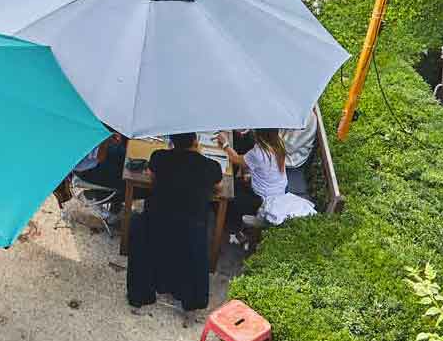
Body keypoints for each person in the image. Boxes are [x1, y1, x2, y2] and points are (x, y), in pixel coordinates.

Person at [127, 133, 222, 311]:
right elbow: (219, 187)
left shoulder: (159, 157)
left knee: (136, 220)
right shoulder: (210, 166)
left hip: (157, 218)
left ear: (171, 142)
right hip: (192, 224)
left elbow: (151, 177)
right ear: (196, 142)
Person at [237, 129, 316, 227]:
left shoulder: (258, 152)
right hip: (281, 189)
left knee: (234, 192)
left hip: (262, 197)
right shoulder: (279, 144)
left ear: (258, 134)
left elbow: (236, 160)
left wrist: (225, 145)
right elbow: (268, 169)